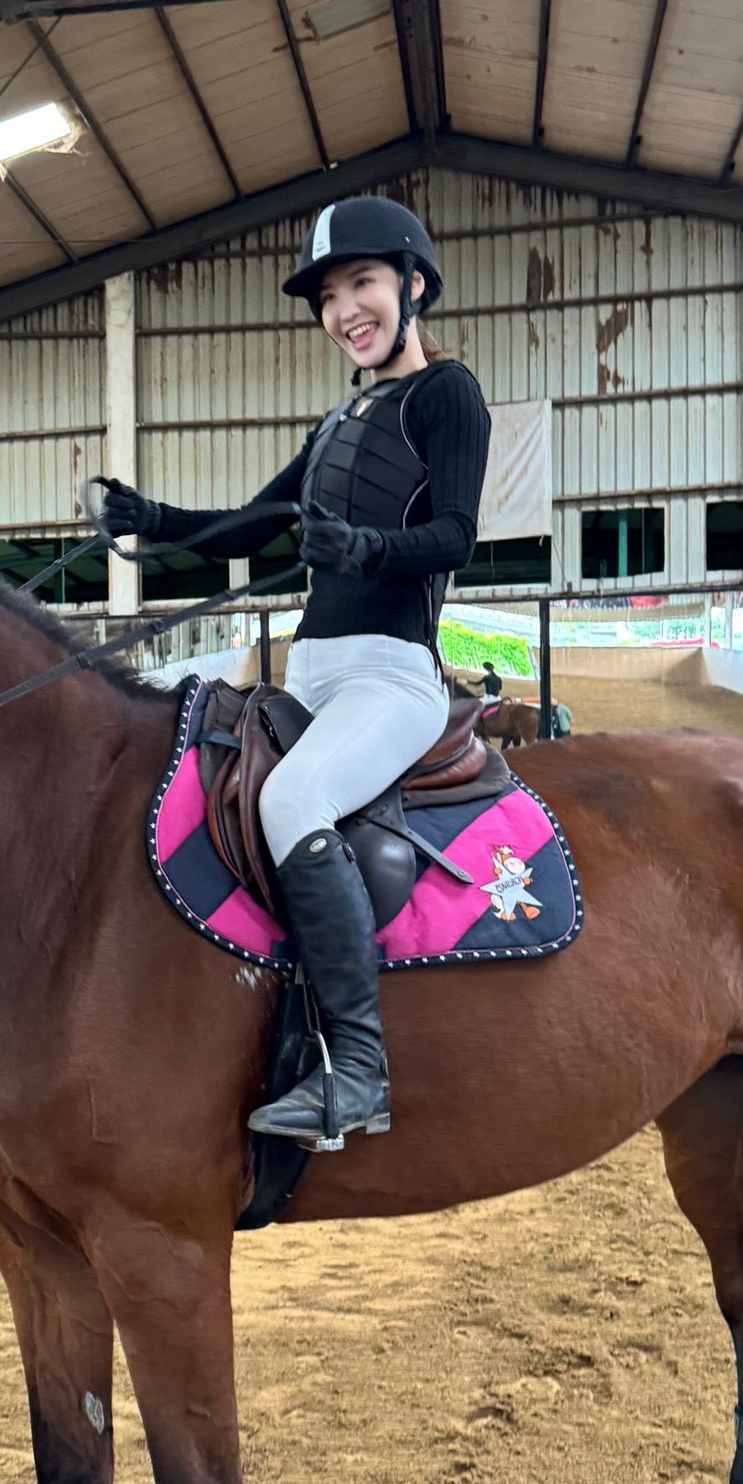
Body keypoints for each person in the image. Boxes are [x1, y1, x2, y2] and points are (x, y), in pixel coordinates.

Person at [100, 195, 490, 1146]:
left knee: (290, 802)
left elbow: (458, 537)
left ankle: (357, 1069)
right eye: (327, 296)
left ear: (411, 284)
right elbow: (258, 521)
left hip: (391, 675)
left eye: (360, 283)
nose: (343, 309)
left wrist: (360, 546)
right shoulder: (339, 420)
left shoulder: (449, 395)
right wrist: (155, 520)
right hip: (310, 672)